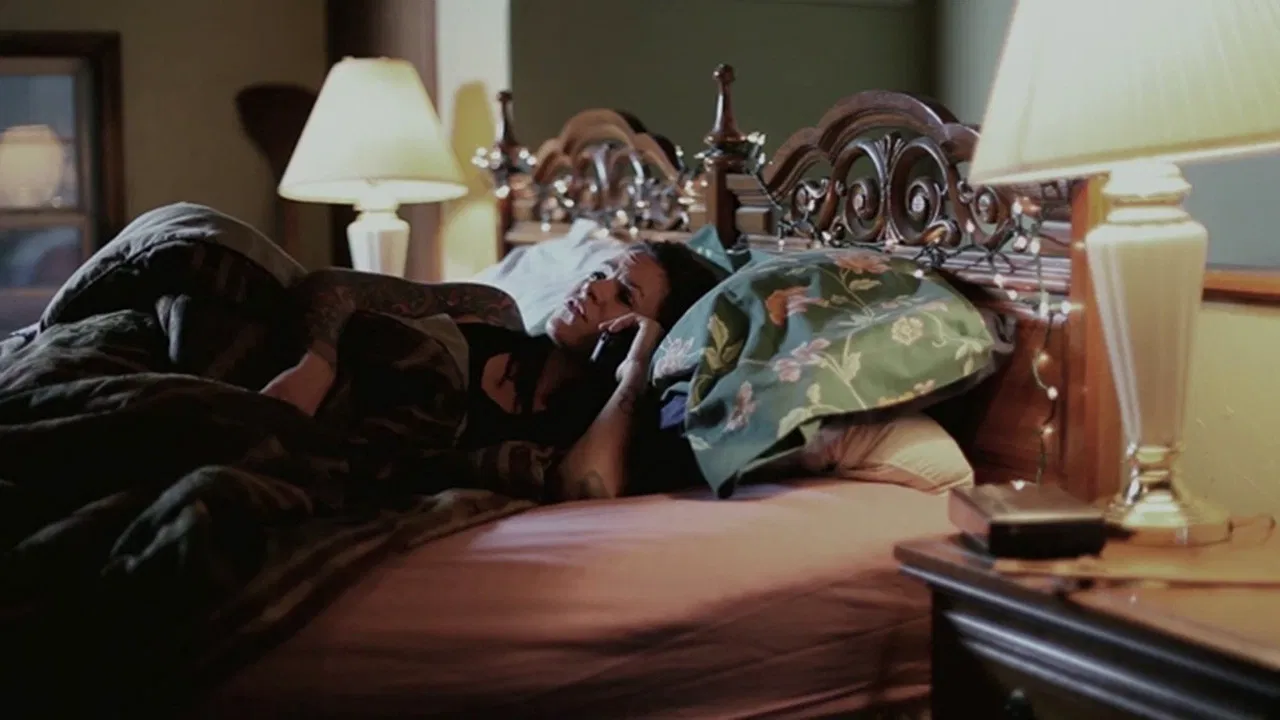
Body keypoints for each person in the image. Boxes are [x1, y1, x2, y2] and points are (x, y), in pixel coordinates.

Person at [256, 232, 719, 502]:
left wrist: (636, 365)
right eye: (601, 273)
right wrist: (316, 365)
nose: (595, 288)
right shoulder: (490, 311)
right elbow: (334, 285)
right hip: (273, 367)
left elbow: (588, 487)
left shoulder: (567, 436)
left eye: (625, 296)